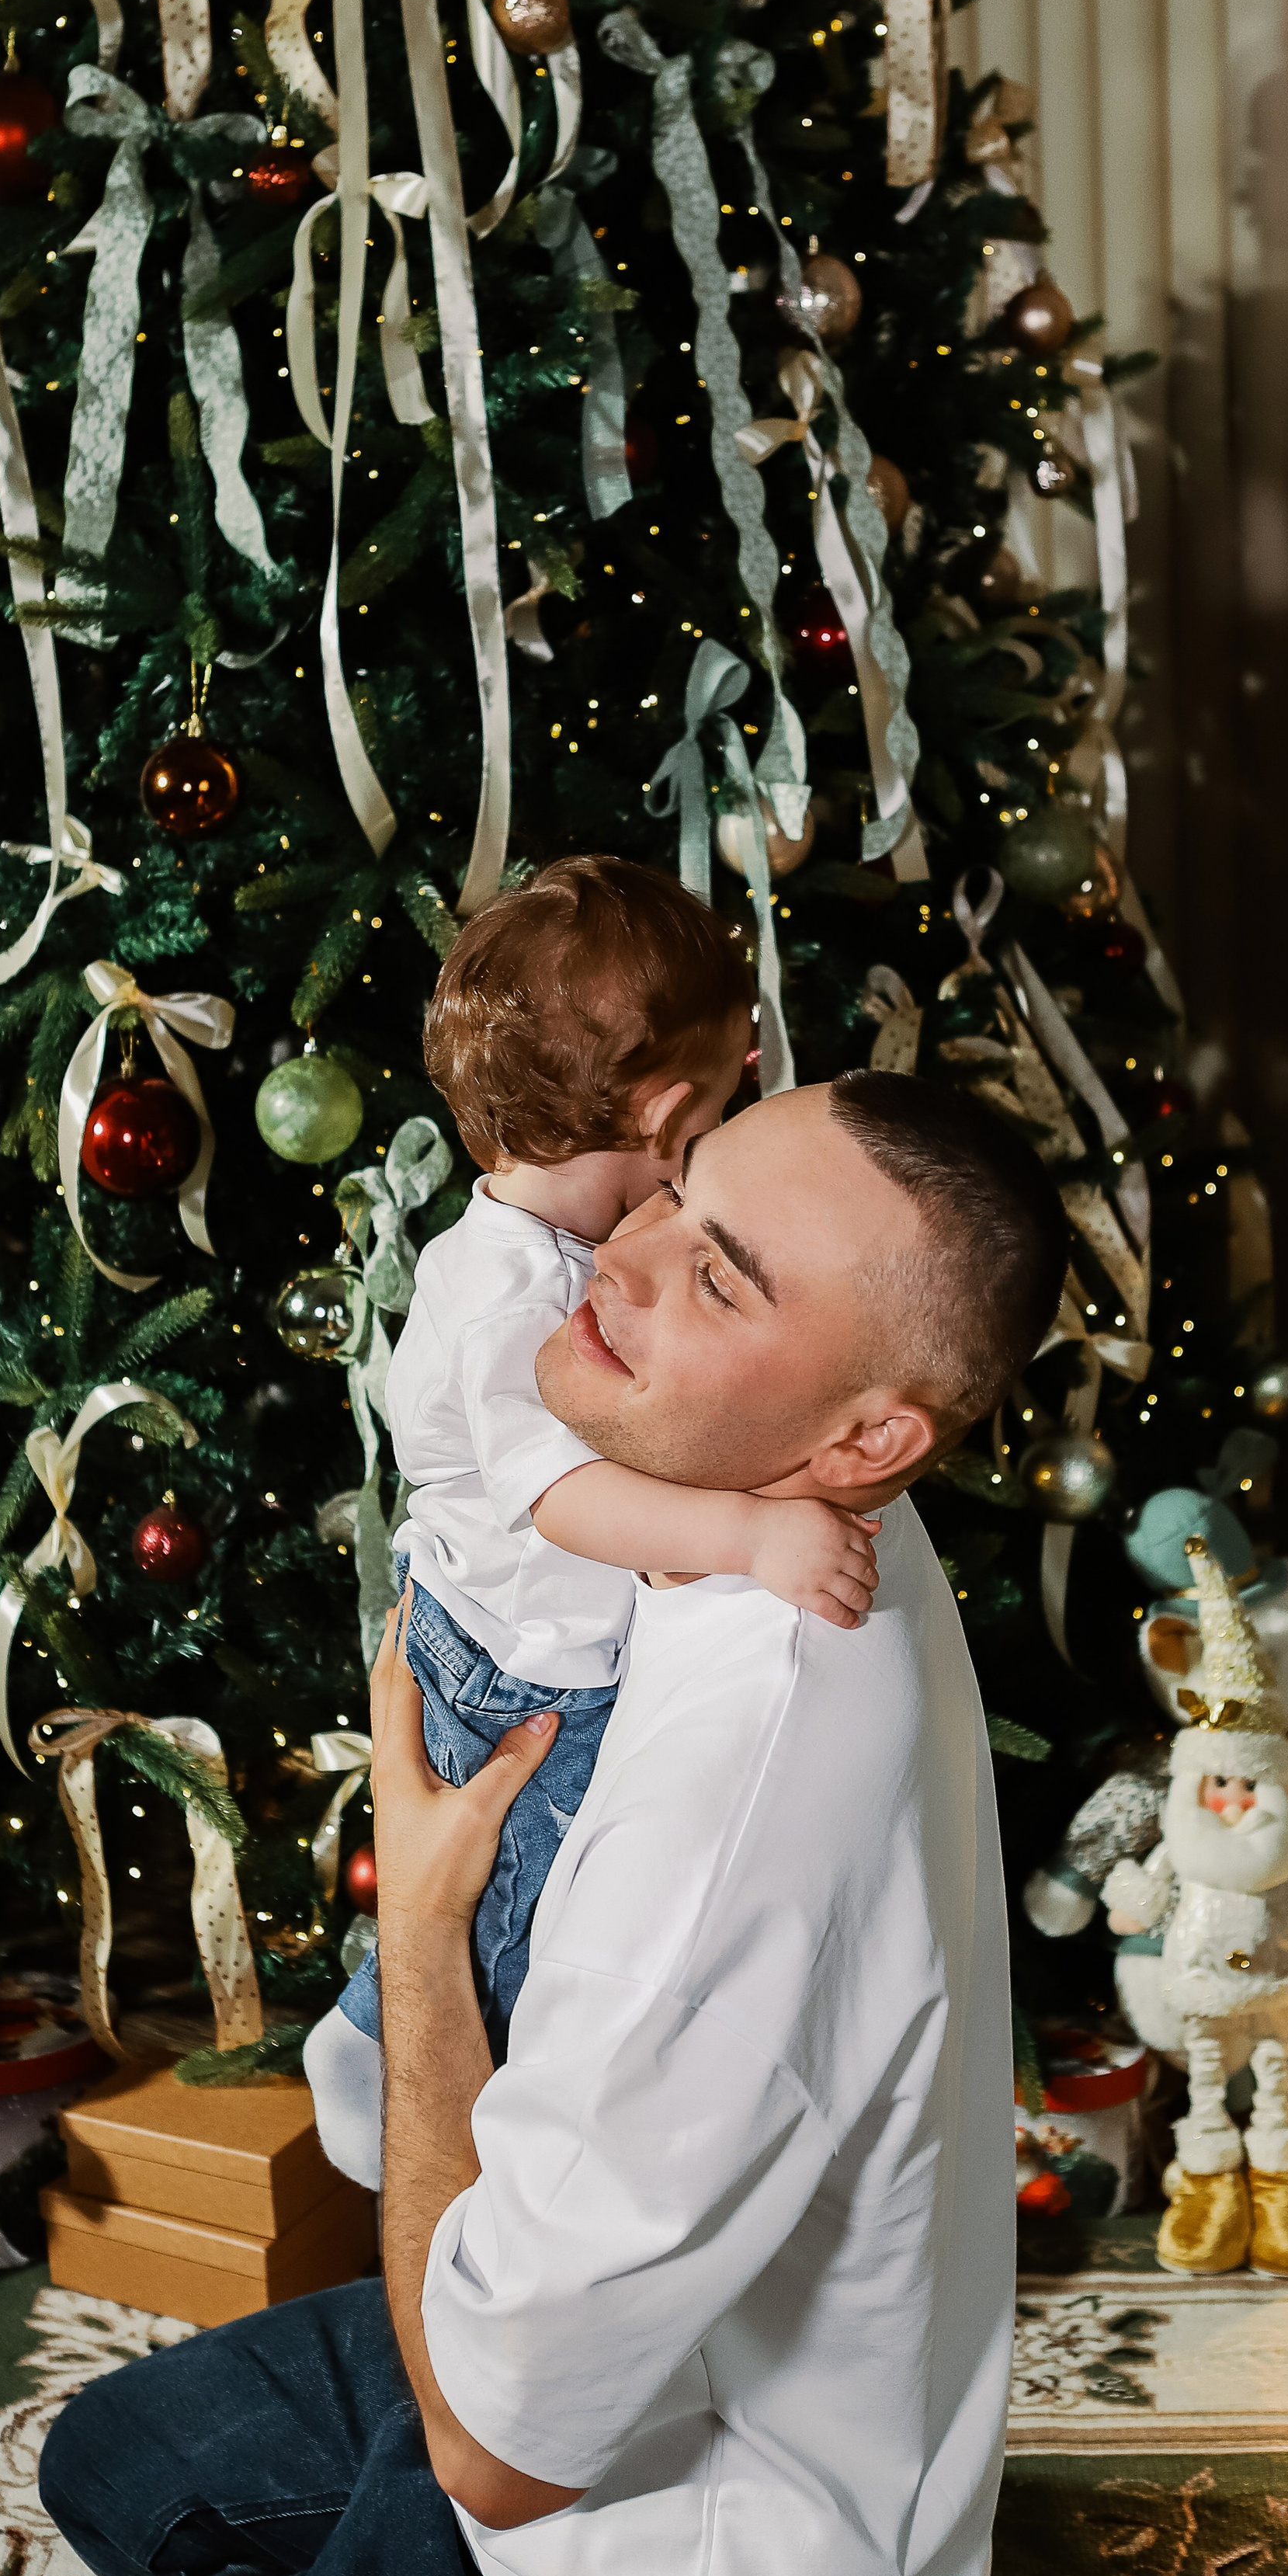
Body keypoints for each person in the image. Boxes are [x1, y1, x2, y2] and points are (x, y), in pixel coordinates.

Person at [21, 1066, 1068, 2576]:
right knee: (120, 2461)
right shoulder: (787, 1500)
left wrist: (421, 1923)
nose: (622, 1255)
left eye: (719, 1277)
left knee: (448, 2443)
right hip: (649, 2390)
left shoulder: (741, 1814)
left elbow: (499, 2462)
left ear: (873, 1432)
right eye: (677, 1193)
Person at [305, 857, 883, 2189]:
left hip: (525, 1642)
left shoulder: (569, 1245)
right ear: (671, 1109)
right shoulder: (506, 1296)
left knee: (539, 1893)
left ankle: (372, 2033)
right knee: (526, 1907)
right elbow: (560, 1499)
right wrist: (748, 1536)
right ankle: (416, 2079)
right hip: (519, 1671)